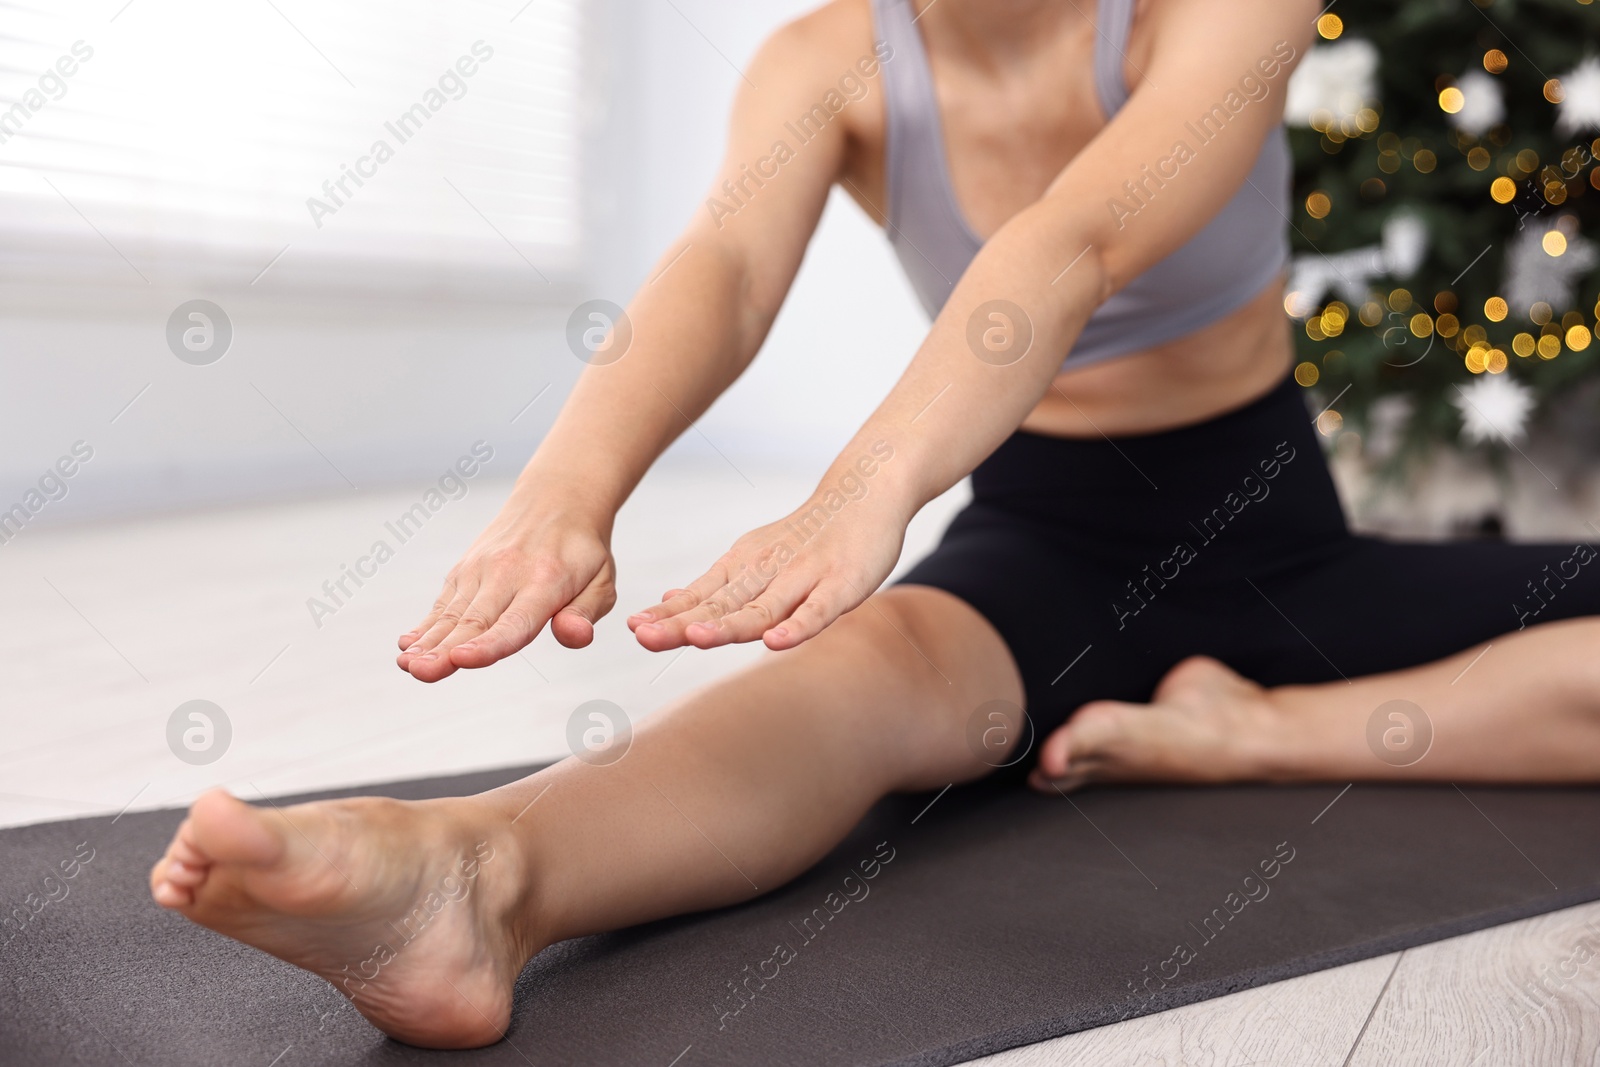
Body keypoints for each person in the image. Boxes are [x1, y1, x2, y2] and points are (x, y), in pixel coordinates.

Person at [149, 0, 1600, 1048]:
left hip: (1288, 547)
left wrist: (863, 492)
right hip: (1045, 548)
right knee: (844, 687)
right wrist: (564, 493)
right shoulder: (826, 62)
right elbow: (718, 268)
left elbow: (1070, 241)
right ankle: (473, 877)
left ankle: (1249, 731)